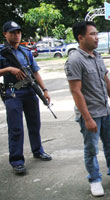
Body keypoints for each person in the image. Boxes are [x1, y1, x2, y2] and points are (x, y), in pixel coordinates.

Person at [64, 21, 110, 197]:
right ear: (80, 37)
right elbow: (76, 91)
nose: (97, 37)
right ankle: (94, 179)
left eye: (97, 33)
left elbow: (106, 81)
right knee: (91, 149)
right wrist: (87, 118)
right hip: (90, 114)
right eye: (92, 34)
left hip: (105, 111)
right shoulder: (74, 60)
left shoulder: (97, 56)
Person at [0, 21, 52, 175]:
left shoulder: (25, 52)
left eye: (18, 32)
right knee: (16, 128)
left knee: (34, 123)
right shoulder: (1, 52)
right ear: (5, 34)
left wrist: (45, 90)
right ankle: (17, 161)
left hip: (29, 91)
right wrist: (9, 69)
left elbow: (35, 72)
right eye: (12, 32)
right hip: (12, 93)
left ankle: (38, 150)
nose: (16, 35)